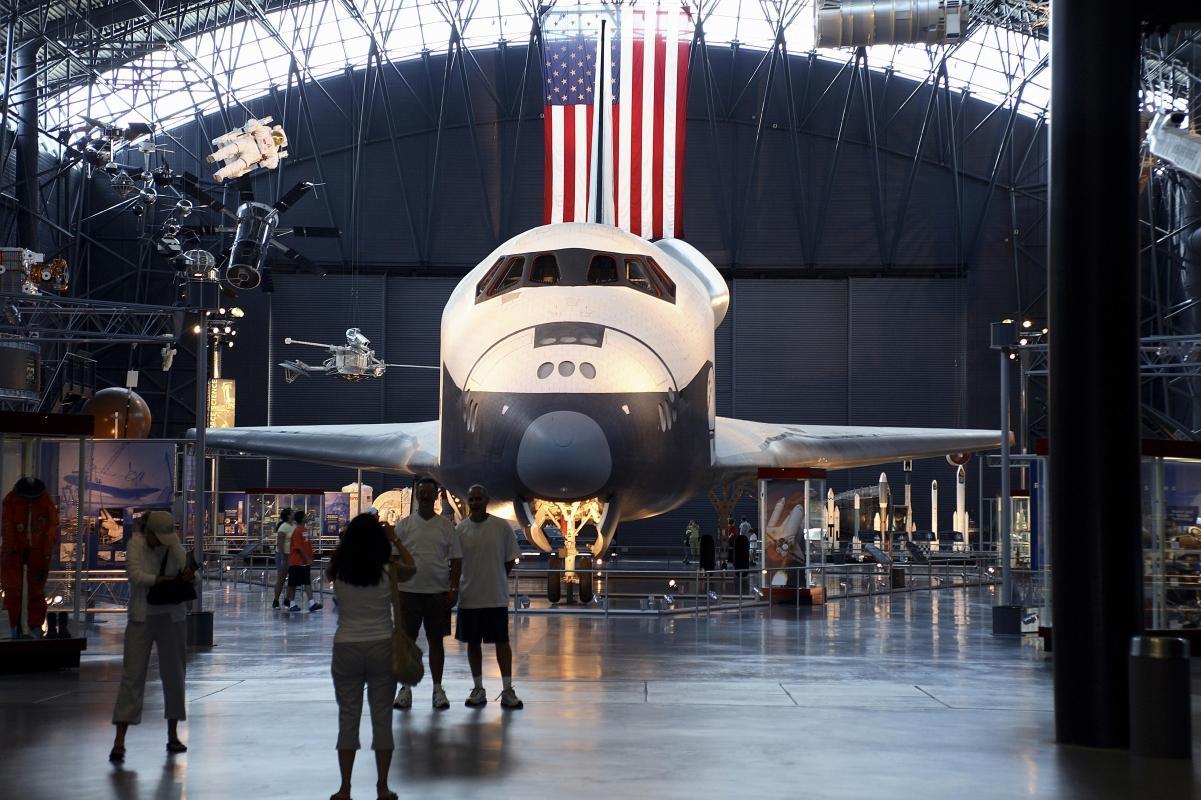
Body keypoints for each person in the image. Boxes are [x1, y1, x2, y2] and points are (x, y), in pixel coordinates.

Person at [326, 513, 410, 800]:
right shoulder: (389, 570)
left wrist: (349, 539)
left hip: (346, 646)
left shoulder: (338, 570)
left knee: (348, 717)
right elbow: (413, 567)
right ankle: (382, 787)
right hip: (381, 646)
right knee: (382, 718)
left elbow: (335, 560)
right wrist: (394, 537)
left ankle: (345, 788)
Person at [110, 510, 197, 762]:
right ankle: (119, 740)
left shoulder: (176, 548)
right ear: (149, 532)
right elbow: (135, 575)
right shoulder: (135, 545)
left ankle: (173, 735)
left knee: (175, 675)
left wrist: (189, 576)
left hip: (172, 617)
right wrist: (165, 580)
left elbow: (194, 578)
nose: (161, 543)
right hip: (142, 617)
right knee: (132, 675)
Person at [392, 477, 461, 711]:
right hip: (408, 593)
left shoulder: (446, 527)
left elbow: (456, 560)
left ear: (436, 496)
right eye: (421, 492)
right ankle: (405, 688)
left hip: (437, 594)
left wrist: (453, 589)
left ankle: (438, 688)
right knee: (407, 643)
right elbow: (393, 560)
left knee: (436, 643)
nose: (424, 496)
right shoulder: (403, 526)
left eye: (429, 493)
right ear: (416, 495)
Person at [455, 484, 522, 709]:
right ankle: (478, 687)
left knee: (502, 642)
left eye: (478, 499)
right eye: (471, 499)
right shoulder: (460, 530)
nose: (474, 503)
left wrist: (497, 577)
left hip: (495, 597)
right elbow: (455, 562)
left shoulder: (501, 527)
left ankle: (507, 688)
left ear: (486, 501)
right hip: (470, 596)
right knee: (473, 644)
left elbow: (510, 558)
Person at [285, 510, 323, 613]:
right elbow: (299, 547)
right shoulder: (297, 531)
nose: (307, 517)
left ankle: (312, 603)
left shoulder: (304, 530)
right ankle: (291, 603)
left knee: (307, 582)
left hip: (304, 563)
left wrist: (310, 557)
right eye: (305, 516)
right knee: (293, 583)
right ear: (302, 519)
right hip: (296, 562)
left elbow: (306, 545)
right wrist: (307, 558)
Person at [271, 508, 294, 609]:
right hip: (283, 556)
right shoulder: (283, 528)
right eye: (292, 513)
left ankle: (287, 600)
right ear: (288, 515)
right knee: (281, 579)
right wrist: (283, 558)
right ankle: (276, 600)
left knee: (292, 579)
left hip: (292, 555)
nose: (294, 514)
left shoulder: (293, 526)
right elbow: (280, 543)